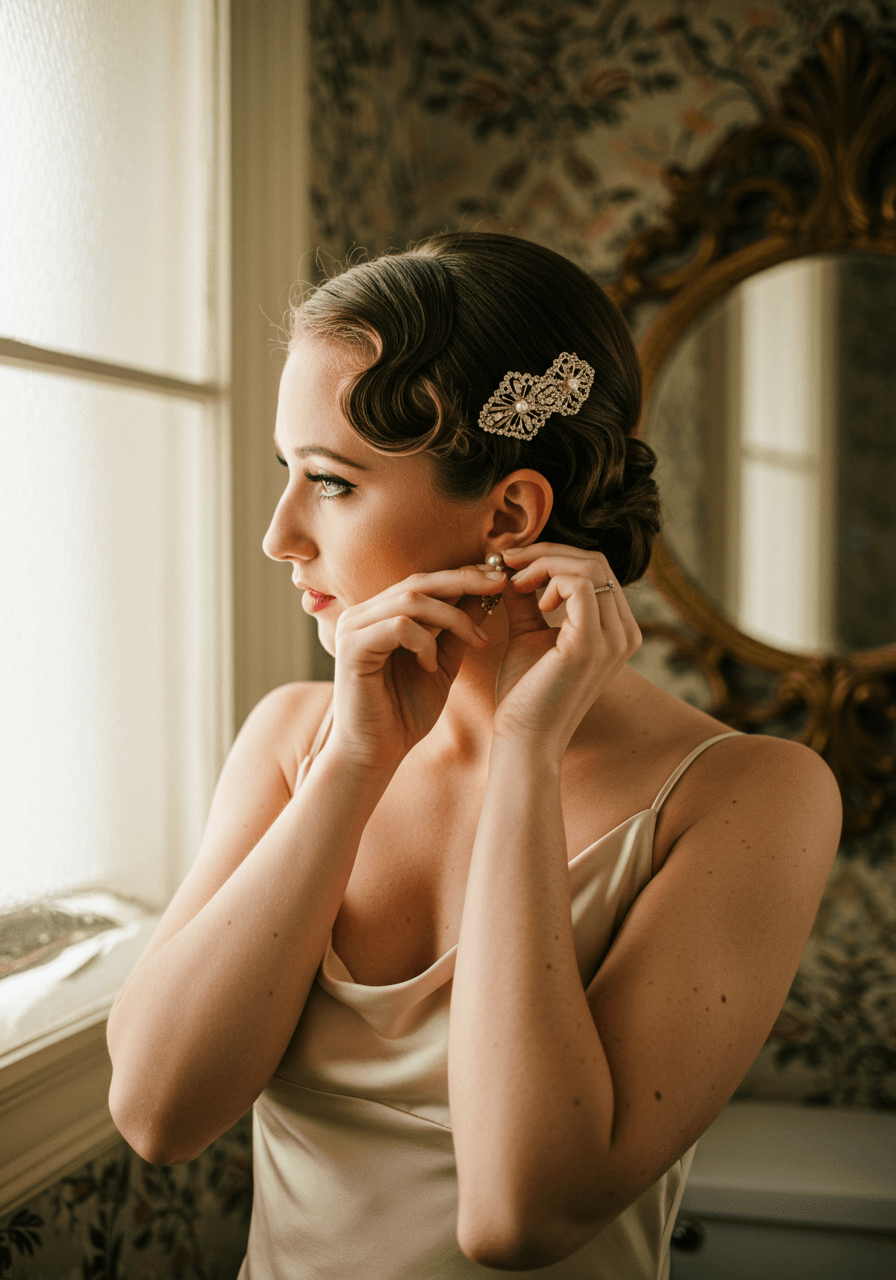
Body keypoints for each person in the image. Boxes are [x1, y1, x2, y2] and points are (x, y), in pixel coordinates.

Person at [107, 231, 841, 1278]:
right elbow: (156, 1111)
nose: (279, 534)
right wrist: (352, 764)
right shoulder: (290, 738)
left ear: (508, 513)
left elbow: (516, 1214)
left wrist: (524, 751)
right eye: (289, 473)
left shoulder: (747, 796)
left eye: (332, 482)